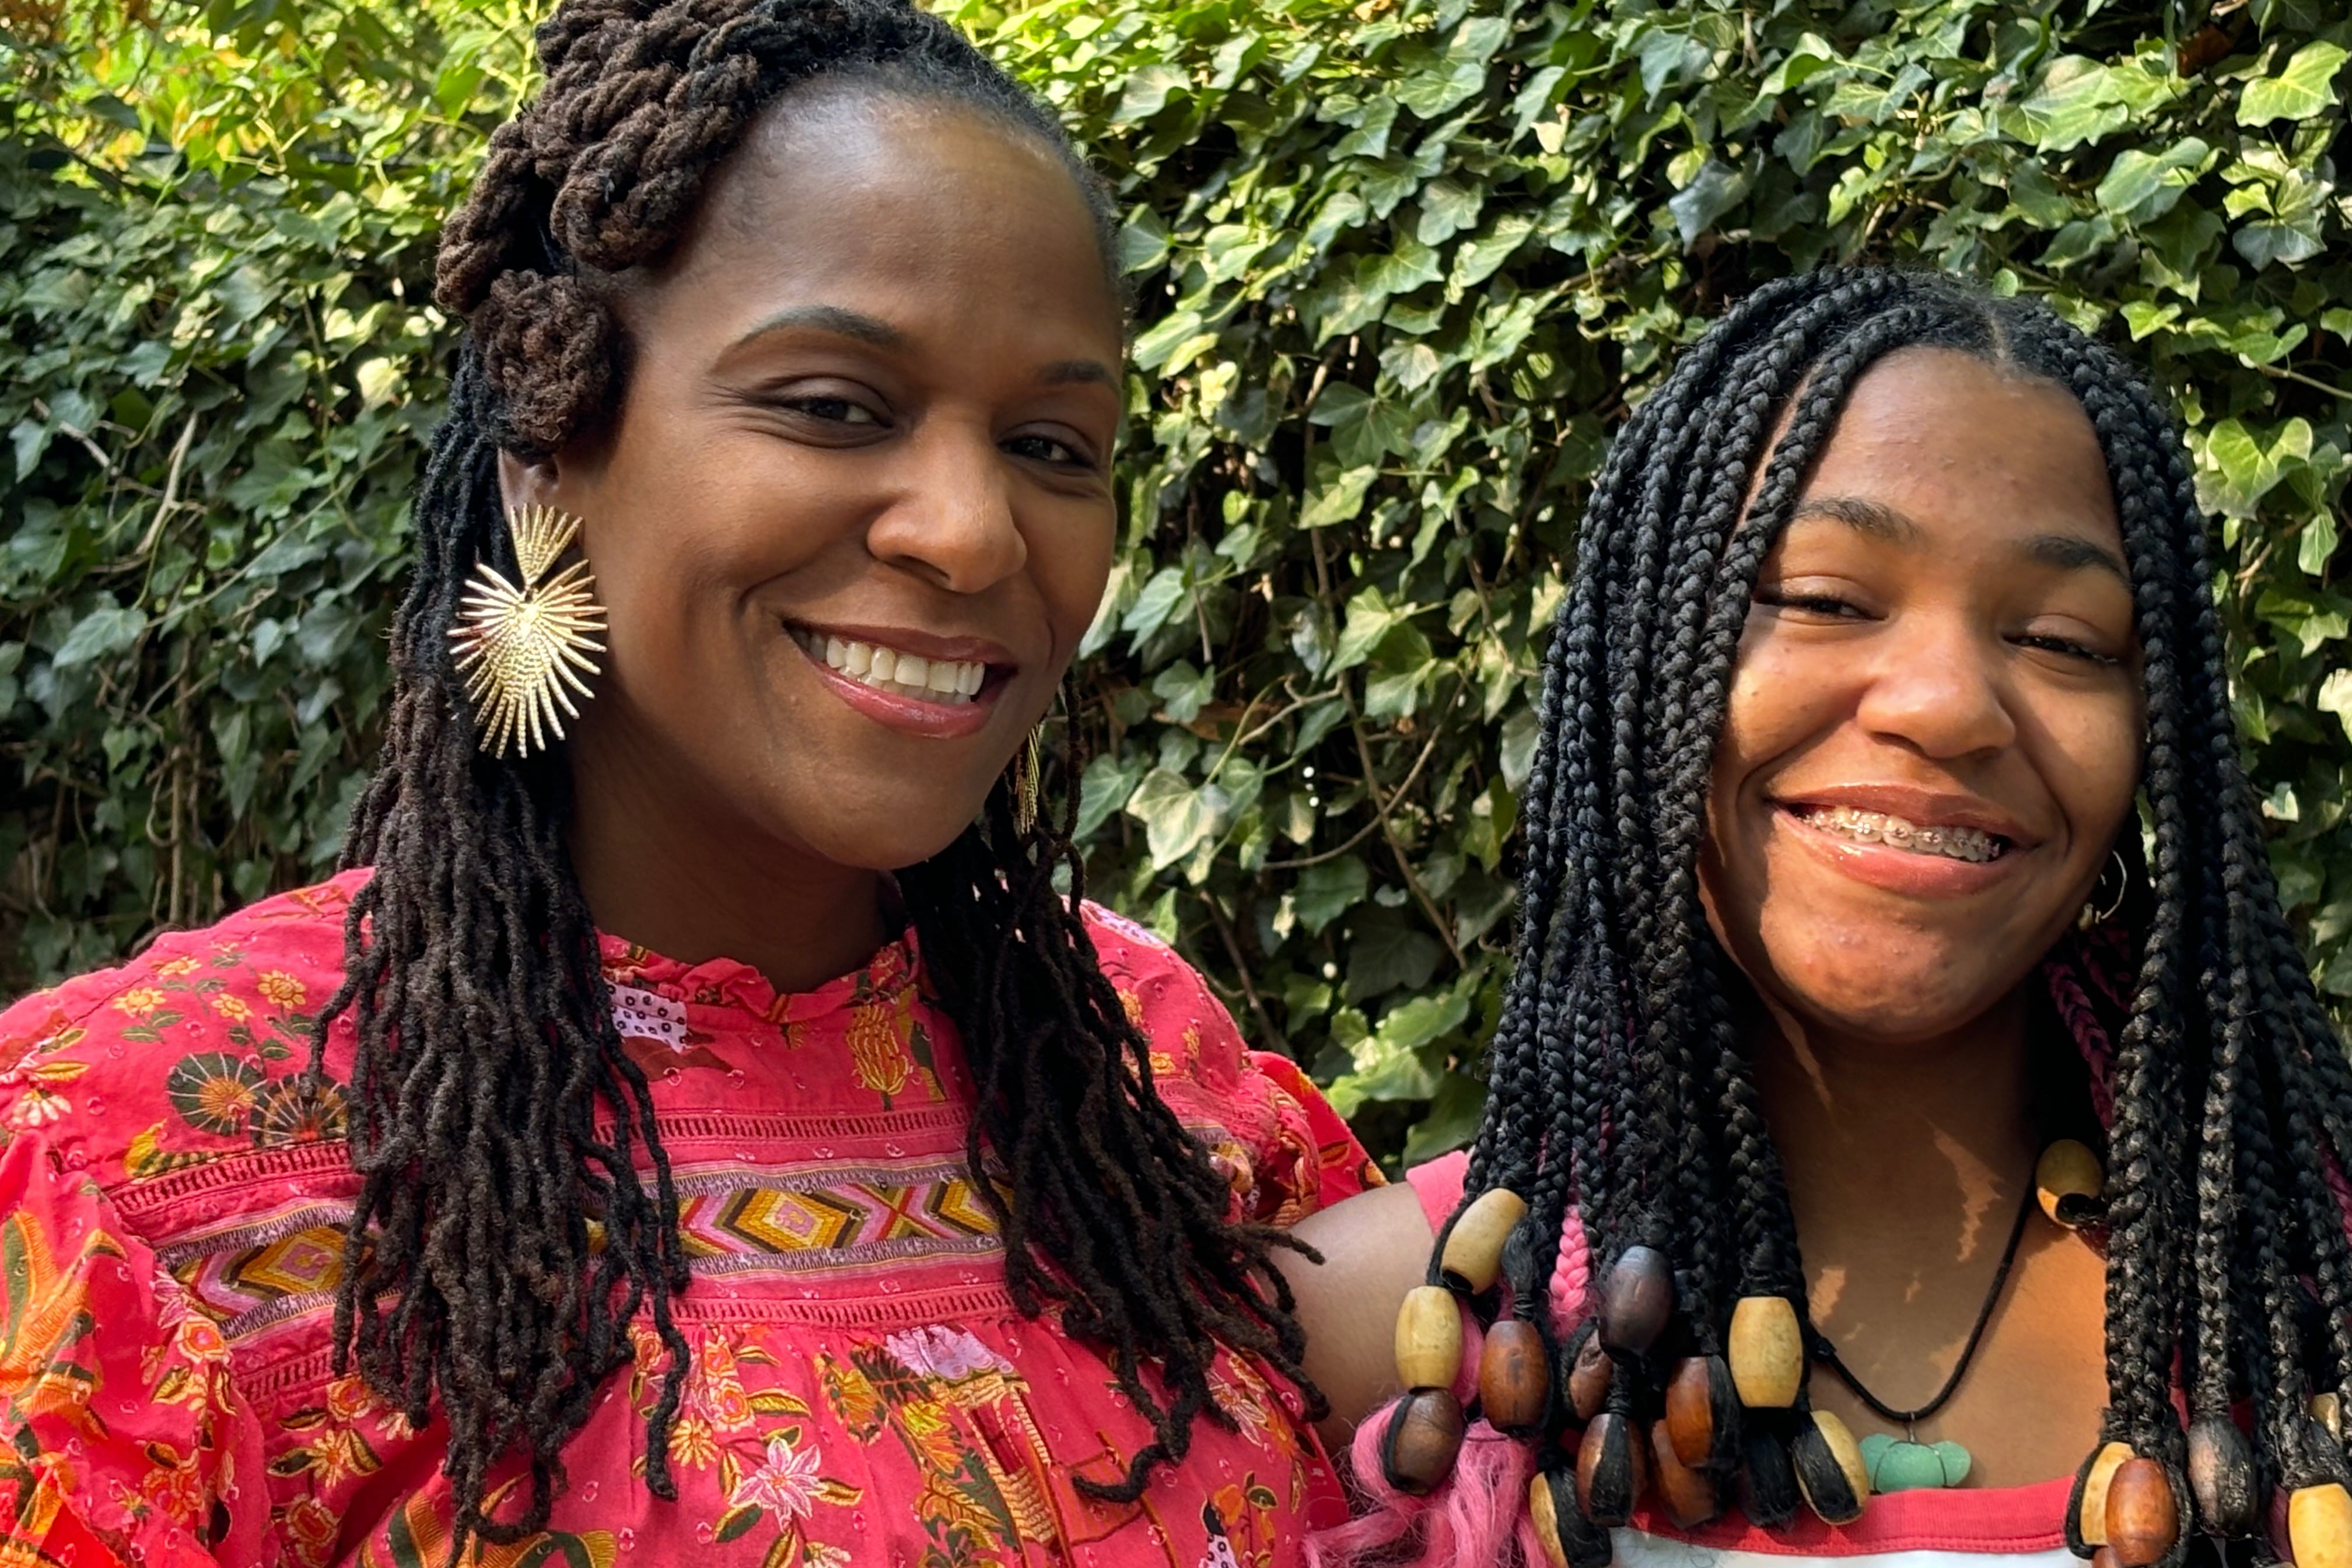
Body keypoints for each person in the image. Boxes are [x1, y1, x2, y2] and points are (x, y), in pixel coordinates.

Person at [0, 2, 1380, 1562]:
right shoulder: (121, 1185)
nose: (975, 531)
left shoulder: (1155, 1080)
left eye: (1056, 443)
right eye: (833, 407)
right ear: (549, 462)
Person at [1280, 268, 2352, 1568]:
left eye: (2066, 640)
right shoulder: (1344, 1350)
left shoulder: (2307, 1320)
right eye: (1827, 600)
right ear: (1638, 678)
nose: (1950, 705)